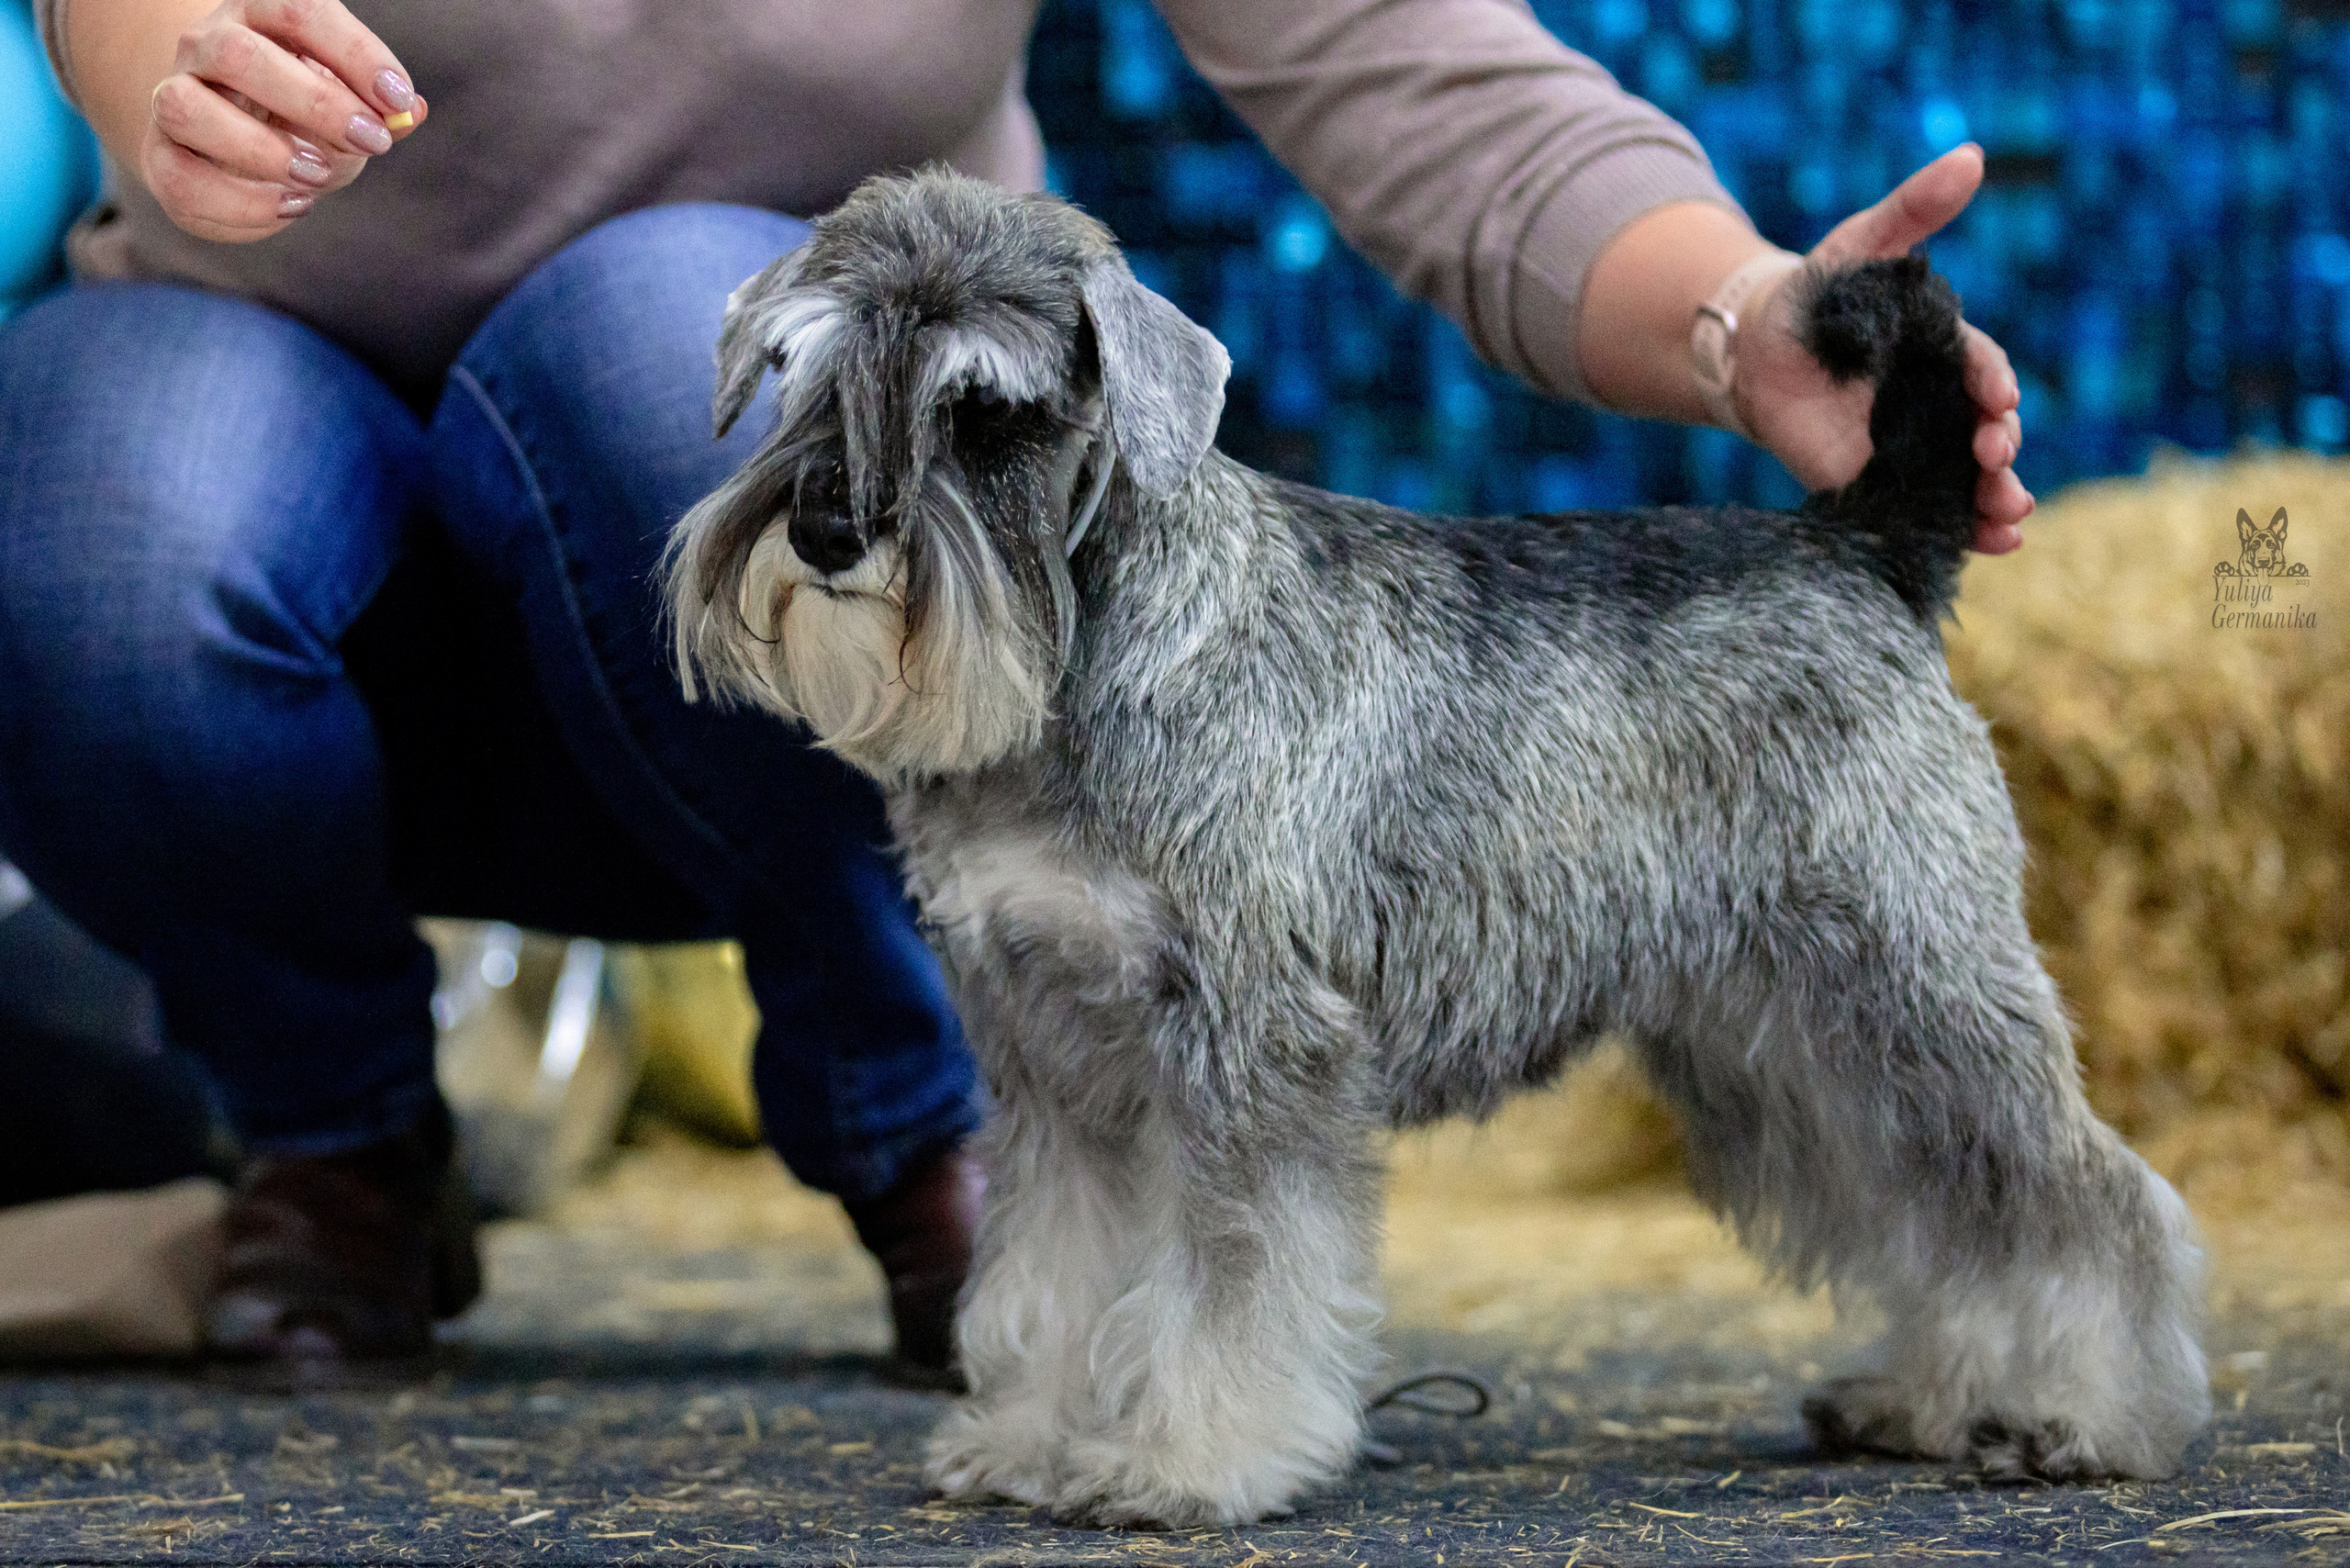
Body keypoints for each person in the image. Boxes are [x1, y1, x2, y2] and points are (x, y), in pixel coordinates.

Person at [0, 0, 2032, 1370]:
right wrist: (143, 43)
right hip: (272, 490)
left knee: (664, 347)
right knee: (85, 525)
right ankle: (330, 1138)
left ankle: (925, 1113)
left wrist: (1731, 316)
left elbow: (1398, 59)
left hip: (761, 518)